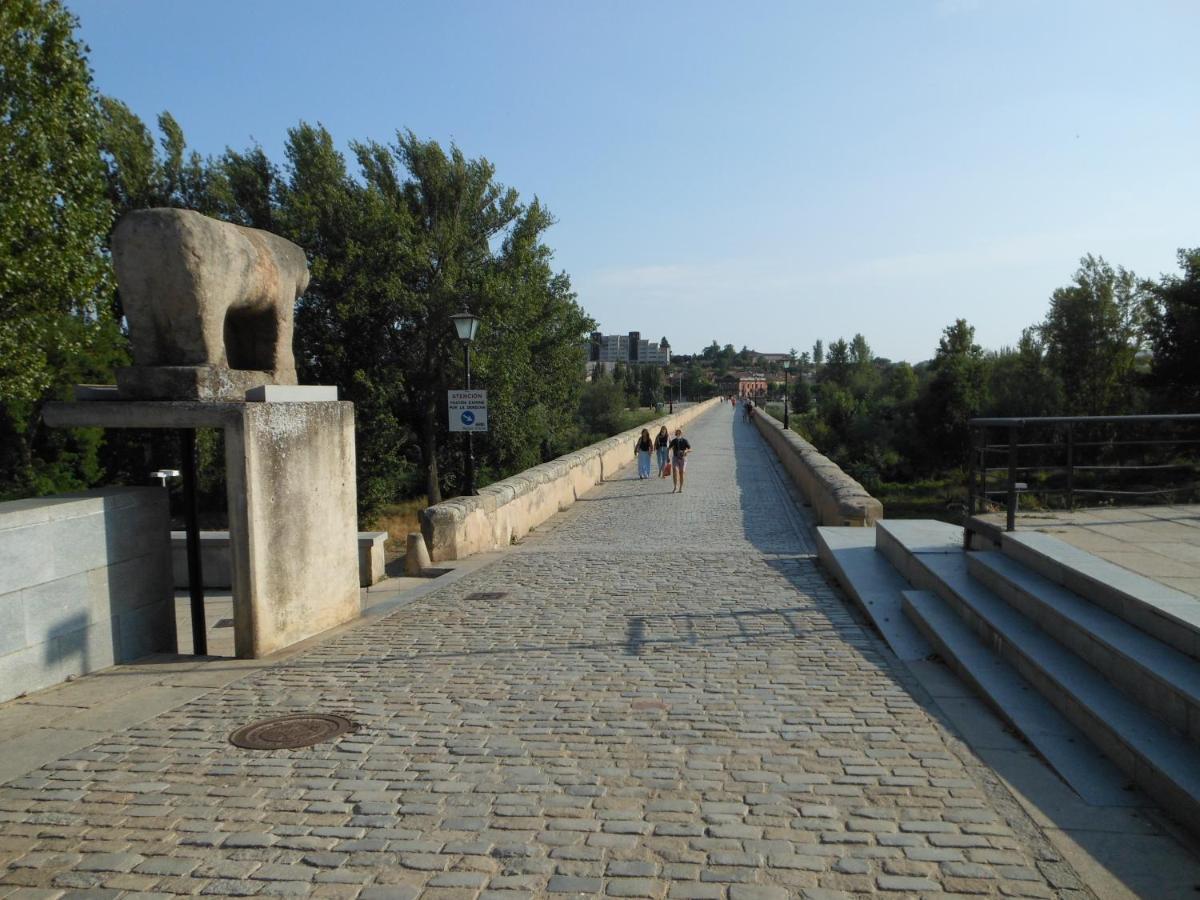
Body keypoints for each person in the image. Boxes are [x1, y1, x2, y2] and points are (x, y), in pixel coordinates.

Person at [668, 427, 691, 493]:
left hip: (683, 458)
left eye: (679, 432)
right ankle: (675, 486)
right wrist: (668, 456)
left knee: (681, 473)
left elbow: (690, 448)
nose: (678, 433)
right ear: (676, 433)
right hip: (675, 457)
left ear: (681, 433)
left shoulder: (684, 440)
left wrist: (686, 451)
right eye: (677, 432)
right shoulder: (674, 441)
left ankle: (680, 487)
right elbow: (669, 448)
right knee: (674, 471)